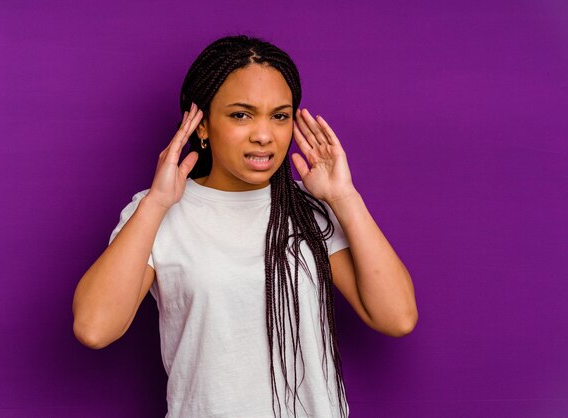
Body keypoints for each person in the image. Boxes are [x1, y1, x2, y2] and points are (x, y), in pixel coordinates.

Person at [72, 34, 418, 418]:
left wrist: (345, 199)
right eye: (241, 114)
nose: (264, 135)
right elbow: (95, 327)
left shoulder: (310, 208)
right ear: (201, 125)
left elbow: (397, 317)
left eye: (280, 115)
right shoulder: (157, 211)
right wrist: (156, 203)